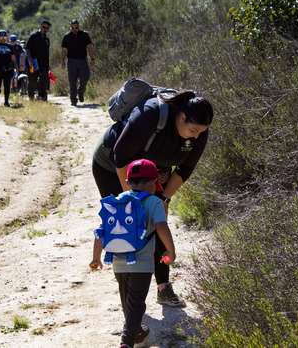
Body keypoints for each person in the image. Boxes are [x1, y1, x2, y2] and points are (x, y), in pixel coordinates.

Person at [92, 90, 213, 306]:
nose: (196, 136)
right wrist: (129, 198)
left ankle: (163, 289)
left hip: (151, 175)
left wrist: (163, 200)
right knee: (126, 224)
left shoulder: (199, 131)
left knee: (157, 223)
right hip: (113, 166)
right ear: (182, 117)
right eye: (193, 130)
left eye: (200, 132)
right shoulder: (151, 114)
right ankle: (129, 296)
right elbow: (120, 156)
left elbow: (185, 169)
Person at [90, 158, 176, 348]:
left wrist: (96, 258)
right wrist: (170, 250)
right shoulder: (154, 201)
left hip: (118, 262)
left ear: (128, 183)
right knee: (136, 303)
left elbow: (101, 230)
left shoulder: (119, 199)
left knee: (127, 301)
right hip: (142, 264)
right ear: (155, 183)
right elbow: (161, 226)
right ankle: (126, 342)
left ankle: (137, 333)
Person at [60, 19, 95, 106]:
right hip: (71, 61)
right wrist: (62, 61)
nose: (74, 29)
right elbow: (64, 50)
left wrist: (92, 59)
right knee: (72, 81)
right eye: (72, 28)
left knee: (85, 77)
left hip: (83, 60)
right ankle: (73, 99)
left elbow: (90, 47)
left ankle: (80, 92)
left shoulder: (84, 35)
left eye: (75, 27)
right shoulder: (67, 37)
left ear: (78, 26)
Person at [0, 29, 18, 107]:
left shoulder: (10, 46)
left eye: (4, 37)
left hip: (8, 69)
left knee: (7, 85)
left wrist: (17, 67)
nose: (3, 39)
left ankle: (6, 101)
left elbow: (13, 58)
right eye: (1, 37)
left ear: (7, 38)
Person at [25, 19, 51, 101]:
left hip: (44, 63)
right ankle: (31, 96)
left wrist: (48, 64)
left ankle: (42, 97)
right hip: (33, 62)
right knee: (32, 81)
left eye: (47, 28)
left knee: (44, 80)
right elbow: (28, 48)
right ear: (40, 27)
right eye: (44, 27)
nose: (45, 29)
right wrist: (29, 57)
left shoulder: (47, 40)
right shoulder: (33, 36)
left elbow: (46, 52)